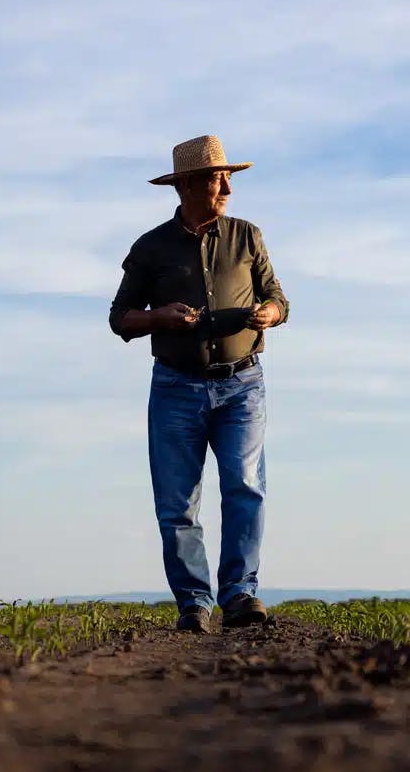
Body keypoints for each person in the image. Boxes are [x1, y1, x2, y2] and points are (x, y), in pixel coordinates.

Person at [109, 135, 290, 634]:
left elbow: (279, 297)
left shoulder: (248, 236)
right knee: (176, 503)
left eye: (227, 176)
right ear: (186, 185)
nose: (227, 186)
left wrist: (270, 313)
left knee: (245, 486)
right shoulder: (150, 247)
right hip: (175, 388)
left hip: (243, 385)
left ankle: (240, 595)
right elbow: (120, 318)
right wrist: (160, 317)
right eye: (216, 178)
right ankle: (193, 602)